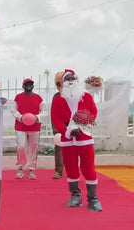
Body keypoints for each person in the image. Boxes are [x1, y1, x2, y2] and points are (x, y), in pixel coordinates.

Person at [51, 69, 102, 212]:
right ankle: (75, 196)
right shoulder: (58, 100)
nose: (71, 80)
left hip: (84, 137)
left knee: (88, 167)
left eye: (73, 78)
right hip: (67, 138)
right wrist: (67, 131)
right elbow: (56, 119)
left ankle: (93, 199)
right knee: (71, 167)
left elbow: (93, 112)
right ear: (63, 83)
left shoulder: (86, 96)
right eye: (68, 79)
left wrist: (84, 124)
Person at [10, 78, 47, 179]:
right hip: (20, 126)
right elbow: (13, 109)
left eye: (30, 84)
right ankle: (20, 168)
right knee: (21, 146)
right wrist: (20, 117)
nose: (29, 86)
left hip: (34, 127)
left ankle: (31, 170)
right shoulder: (18, 97)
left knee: (33, 147)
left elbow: (44, 111)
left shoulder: (38, 98)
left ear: (33, 86)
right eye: (27, 84)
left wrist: (37, 117)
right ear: (23, 86)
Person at [52, 72, 65, 179]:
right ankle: (59, 171)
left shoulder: (76, 95)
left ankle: (73, 170)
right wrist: (55, 129)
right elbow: (54, 113)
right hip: (60, 126)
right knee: (59, 148)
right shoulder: (56, 96)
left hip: (73, 124)